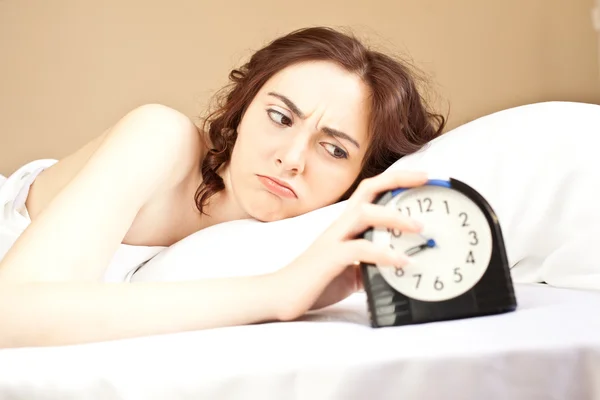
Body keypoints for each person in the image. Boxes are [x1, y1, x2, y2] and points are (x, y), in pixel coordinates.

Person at [0, 26, 446, 348]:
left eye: (333, 150)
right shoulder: (160, 137)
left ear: (362, 175)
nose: (291, 159)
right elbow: (11, 317)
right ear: (241, 109)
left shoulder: (305, 236)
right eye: (279, 117)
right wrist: (278, 293)